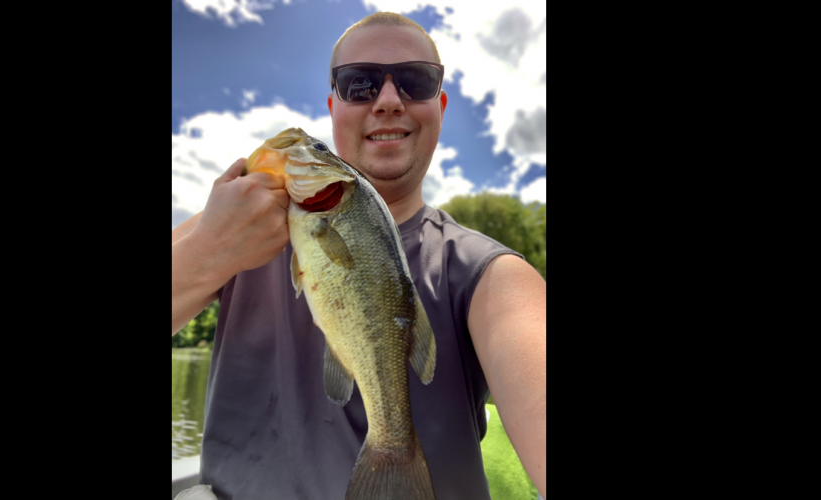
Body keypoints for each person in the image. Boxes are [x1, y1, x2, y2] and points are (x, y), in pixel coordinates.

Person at [172, 12, 546, 500]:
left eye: (415, 81)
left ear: (440, 105)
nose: (388, 101)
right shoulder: (231, 224)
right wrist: (207, 252)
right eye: (360, 84)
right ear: (333, 107)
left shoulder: (490, 274)